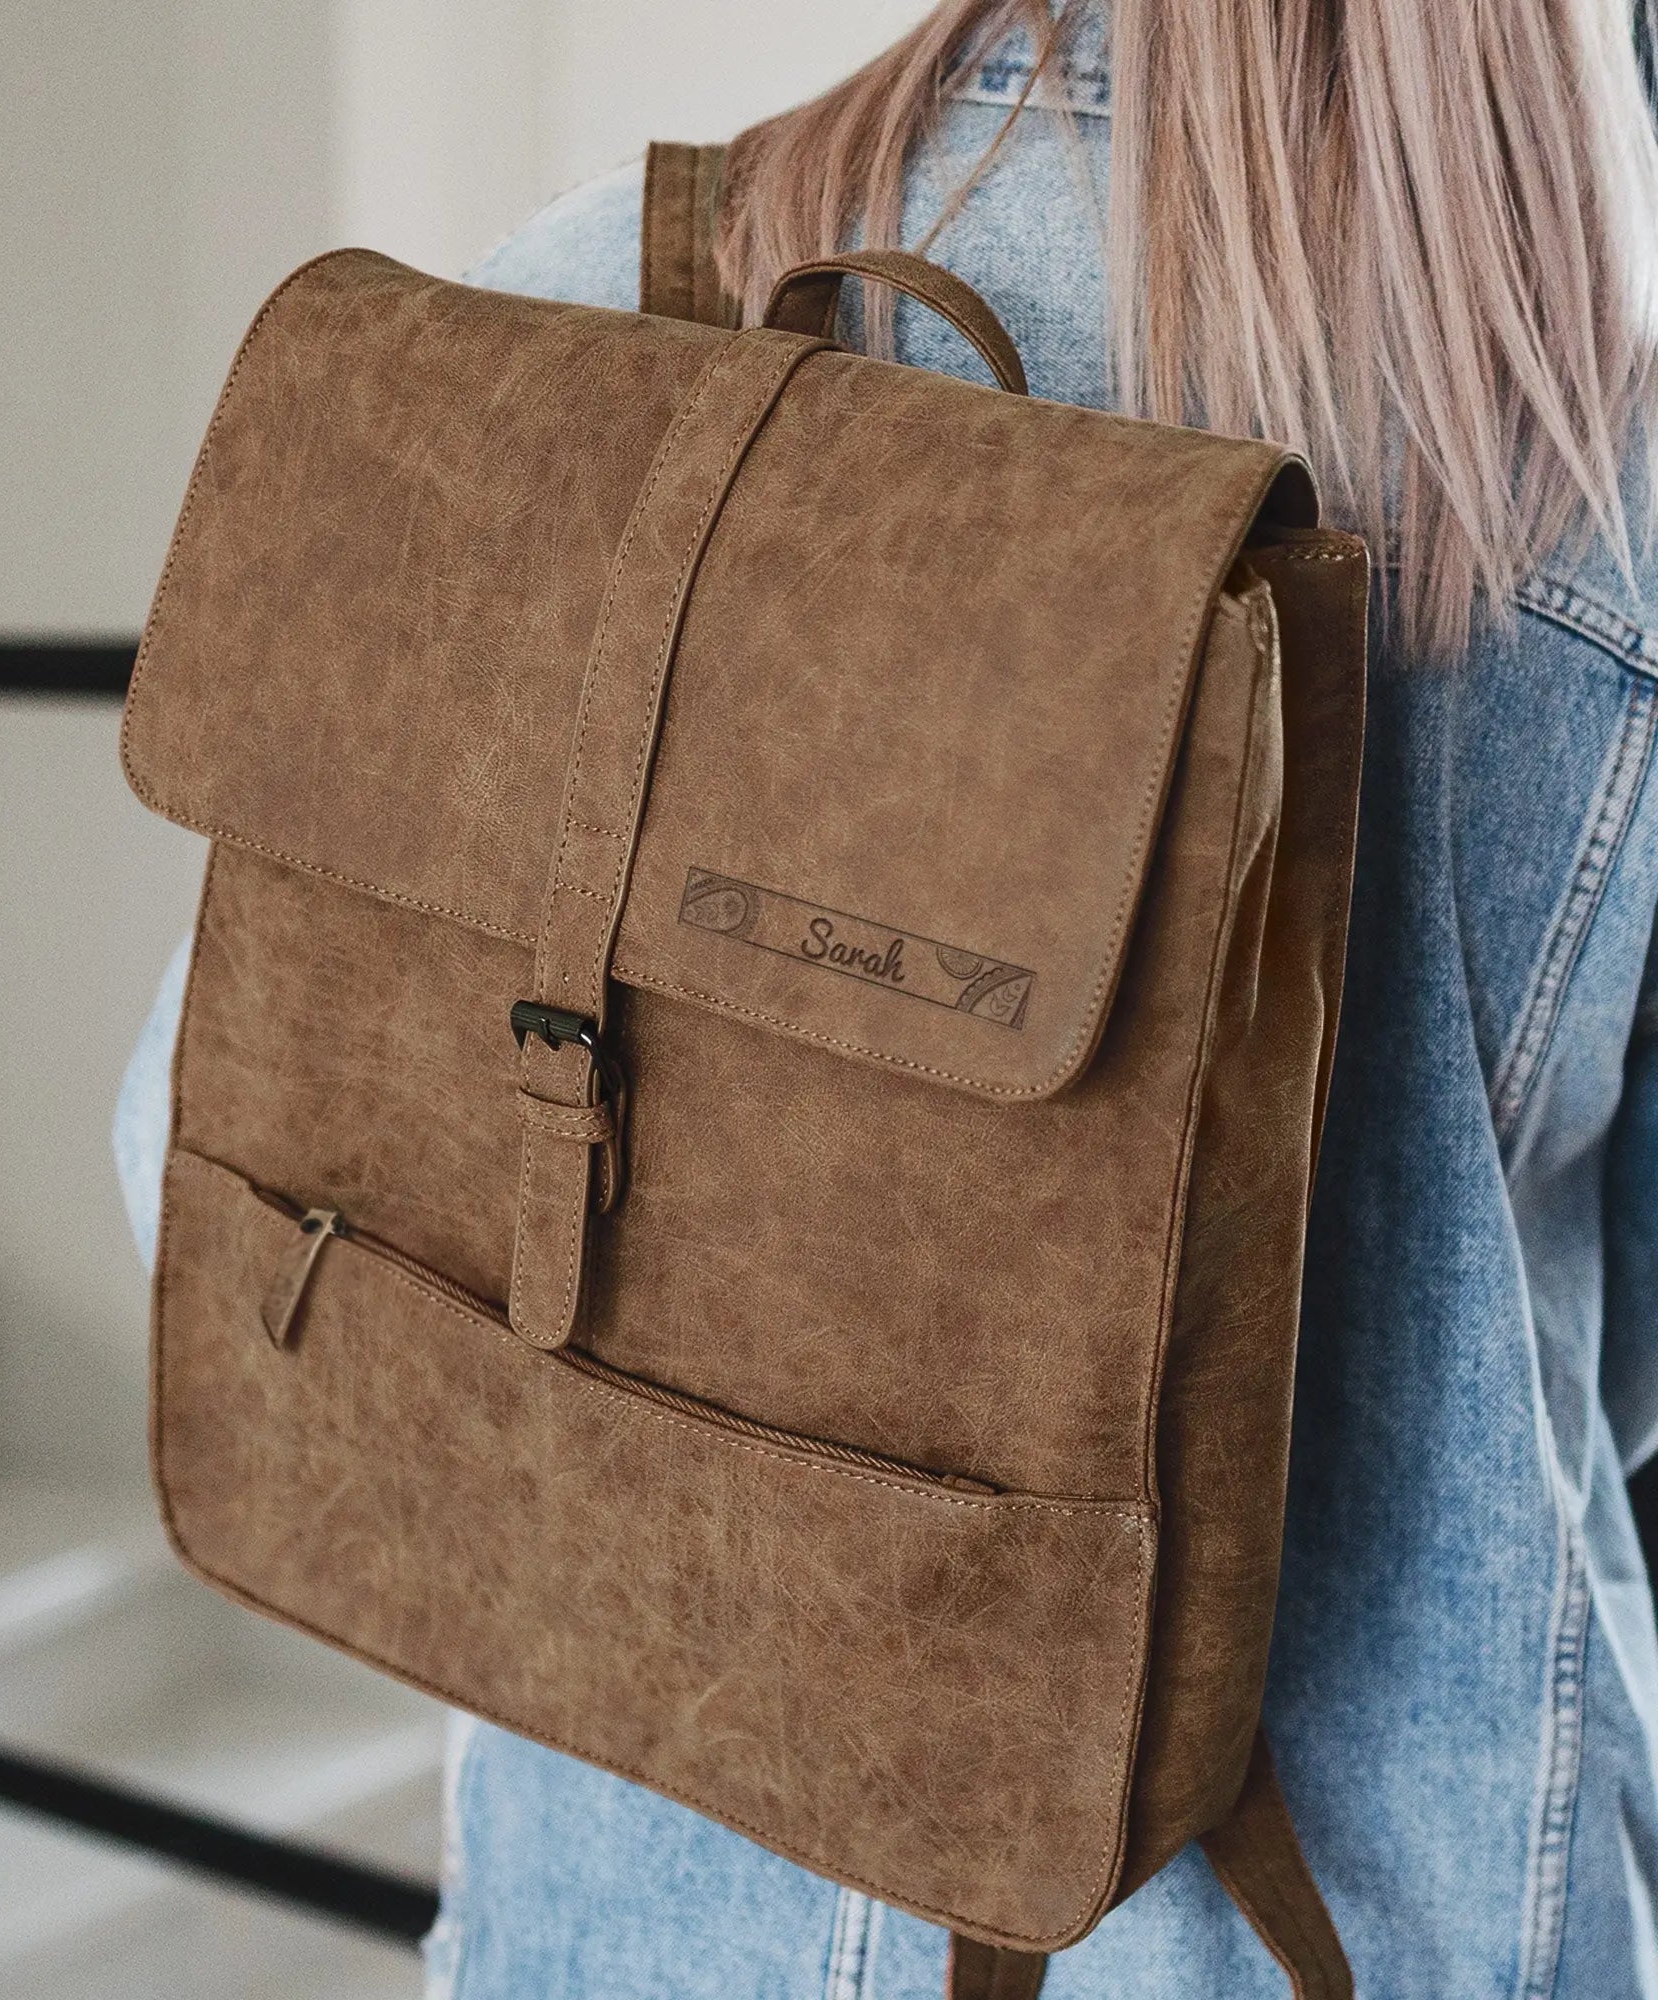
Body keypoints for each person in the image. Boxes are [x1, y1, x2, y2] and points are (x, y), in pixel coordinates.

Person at [116, 2, 1658, 1990]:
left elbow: (180, 1147)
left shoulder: (594, 284)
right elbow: (1614, 1369)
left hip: (625, 1913)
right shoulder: (1580, 446)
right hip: (1345, 1917)